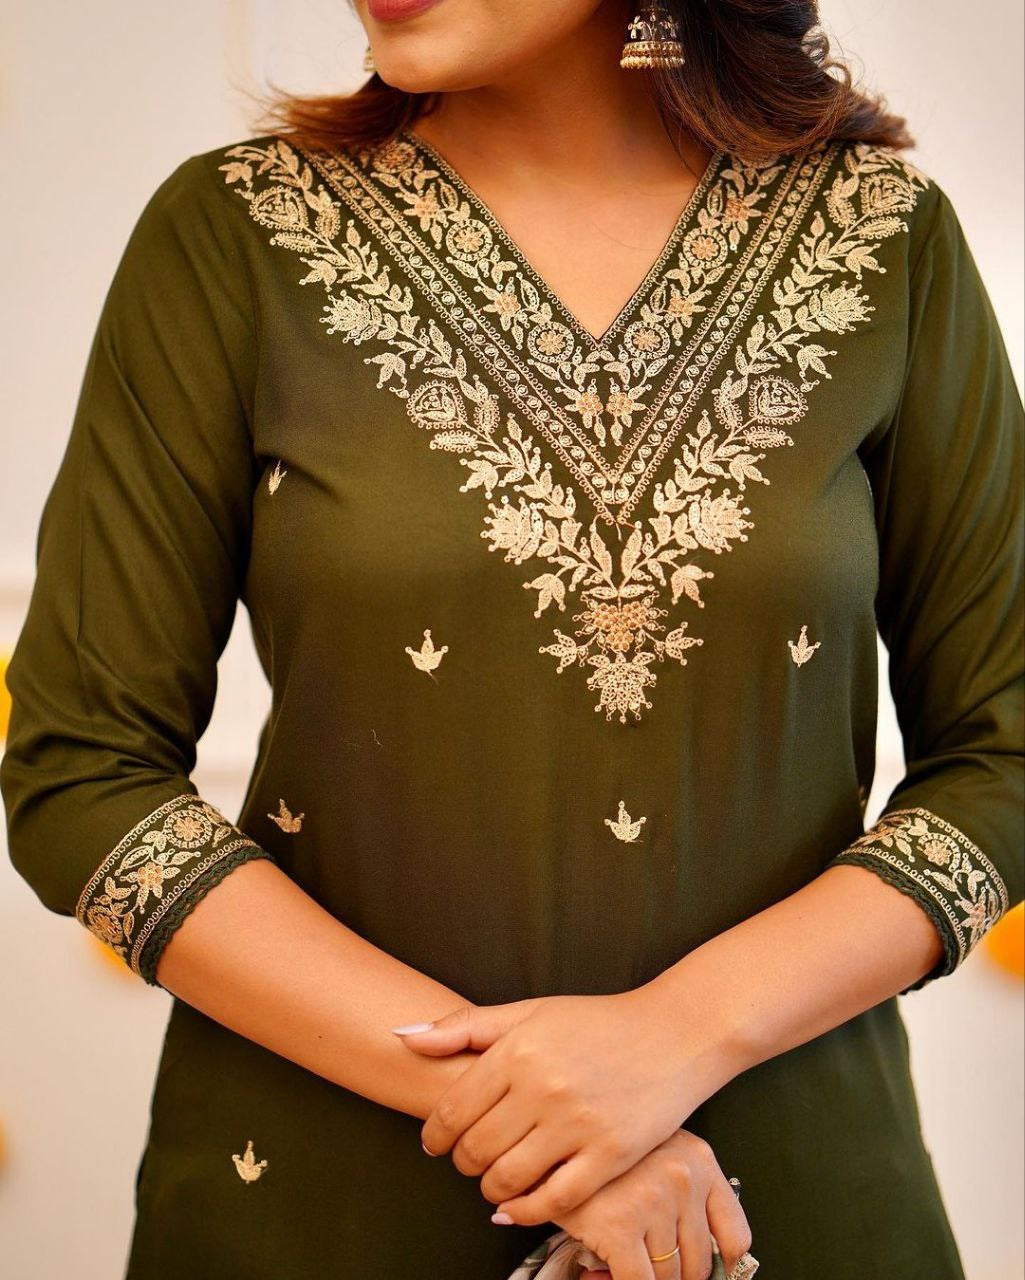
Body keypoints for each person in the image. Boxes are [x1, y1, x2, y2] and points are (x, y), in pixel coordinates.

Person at [2, 1, 1023, 1277]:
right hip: (320, 1198)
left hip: (778, 1193)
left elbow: (1003, 754)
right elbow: (81, 771)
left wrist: (675, 1036)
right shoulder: (235, 234)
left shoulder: (879, 238)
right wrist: (534, 1107)